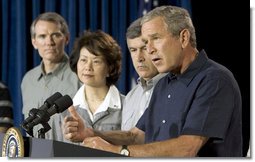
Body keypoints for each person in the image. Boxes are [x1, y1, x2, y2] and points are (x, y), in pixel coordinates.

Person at [63, 5, 242, 157]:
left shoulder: (214, 79)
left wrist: (119, 151)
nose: (149, 50)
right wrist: (92, 133)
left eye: (156, 39)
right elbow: (136, 136)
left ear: (183, 38)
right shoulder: (163, 84)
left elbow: (188, 148)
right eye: (145, 42)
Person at [21, 12, 81, 139]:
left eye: (56, 35)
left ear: (66, 38)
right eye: (42, 36)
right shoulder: (28, 79)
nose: (49, 42)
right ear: (34, 42)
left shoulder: (81, 75)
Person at [60, 30, 123, 143]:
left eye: (96, 61)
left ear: (110, 68)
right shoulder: (66, 109)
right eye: (83, 60)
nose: (88, 67)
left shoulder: (127, 105)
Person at [122, 18, 166, 130]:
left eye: (144, 49)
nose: (139, 58)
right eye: (133, 50)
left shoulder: (176, 90)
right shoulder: (130, 98)